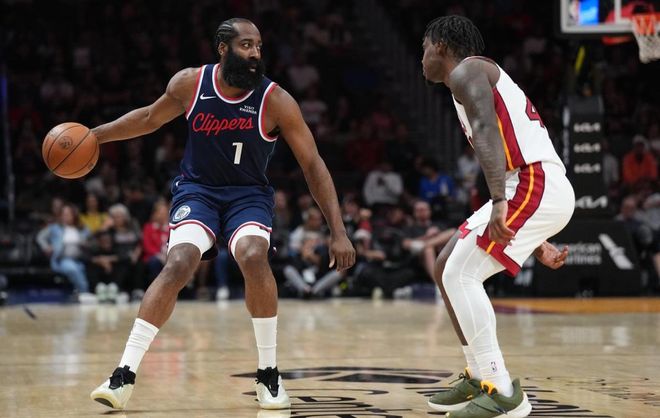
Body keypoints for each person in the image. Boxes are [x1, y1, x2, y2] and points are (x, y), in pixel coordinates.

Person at [88, 18, 355, 411]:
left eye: (259, 46)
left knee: (252, 254)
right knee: (179, 262)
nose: (255, 54)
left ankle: (268, 373)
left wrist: (338, 230)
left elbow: (313, 164)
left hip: (248, 195)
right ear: (223, 48)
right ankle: (123, 374)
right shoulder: (190, 83)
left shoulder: (276, 100)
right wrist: (95, 136)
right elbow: (147, 119)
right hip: (198, 191)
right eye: (246, 45)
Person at [421, 16, 575, 418]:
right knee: (444, 266)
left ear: (440, 45)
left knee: (461, 273)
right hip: (527, 186)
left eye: (424, 48)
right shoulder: (470, 80)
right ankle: (478, 375)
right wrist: (536, 240)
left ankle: (502, 391)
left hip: (530, 181)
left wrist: (499, 201)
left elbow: (488, 131)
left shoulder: (468, 70)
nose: (422, 58)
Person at [36, 203, 94, 303]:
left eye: (68, 214)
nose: (65, 216)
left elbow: (92, 241)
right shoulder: (55, 228)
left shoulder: (82, 229)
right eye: (64, 214)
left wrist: (87, 244)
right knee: (72, 269)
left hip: (80, 259)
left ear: (74, 215)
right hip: (62, 259)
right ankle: (84, 293)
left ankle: (80, 294)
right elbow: (40, 237)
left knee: (82, 268)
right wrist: (46, 247)